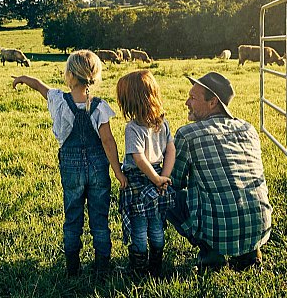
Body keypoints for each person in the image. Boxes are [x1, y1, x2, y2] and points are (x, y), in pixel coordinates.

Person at [12, 50, 127, 277]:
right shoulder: (100, 106)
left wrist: (23, 79)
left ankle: (72, 268)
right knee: (100, 219)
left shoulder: (58, 100)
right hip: (98, 167)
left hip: (71, 167)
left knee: (72, 216)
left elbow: (39, 86)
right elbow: (107, 140)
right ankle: (103, 267)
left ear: (70, 75)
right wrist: (118, 172)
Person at [168, 71, 272, 270]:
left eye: (192, 98)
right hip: (260, 228)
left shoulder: (188, 134)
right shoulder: (248, 129)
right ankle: (249, 252)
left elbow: (174, 181)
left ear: (213, 102)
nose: (186, 103)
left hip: (220, 232)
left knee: (162, 192)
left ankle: (210, 251)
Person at [115, 70, 176, 277]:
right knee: (157, 224)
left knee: (139, 226)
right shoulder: (163, 122)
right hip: (159, 177)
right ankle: (156, 265)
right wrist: (163, 177)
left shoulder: (133, 128)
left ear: (130, 101)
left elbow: (139, 159)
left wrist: (157, 178)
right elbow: (171, 151)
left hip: (139, 181)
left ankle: (139, 268)